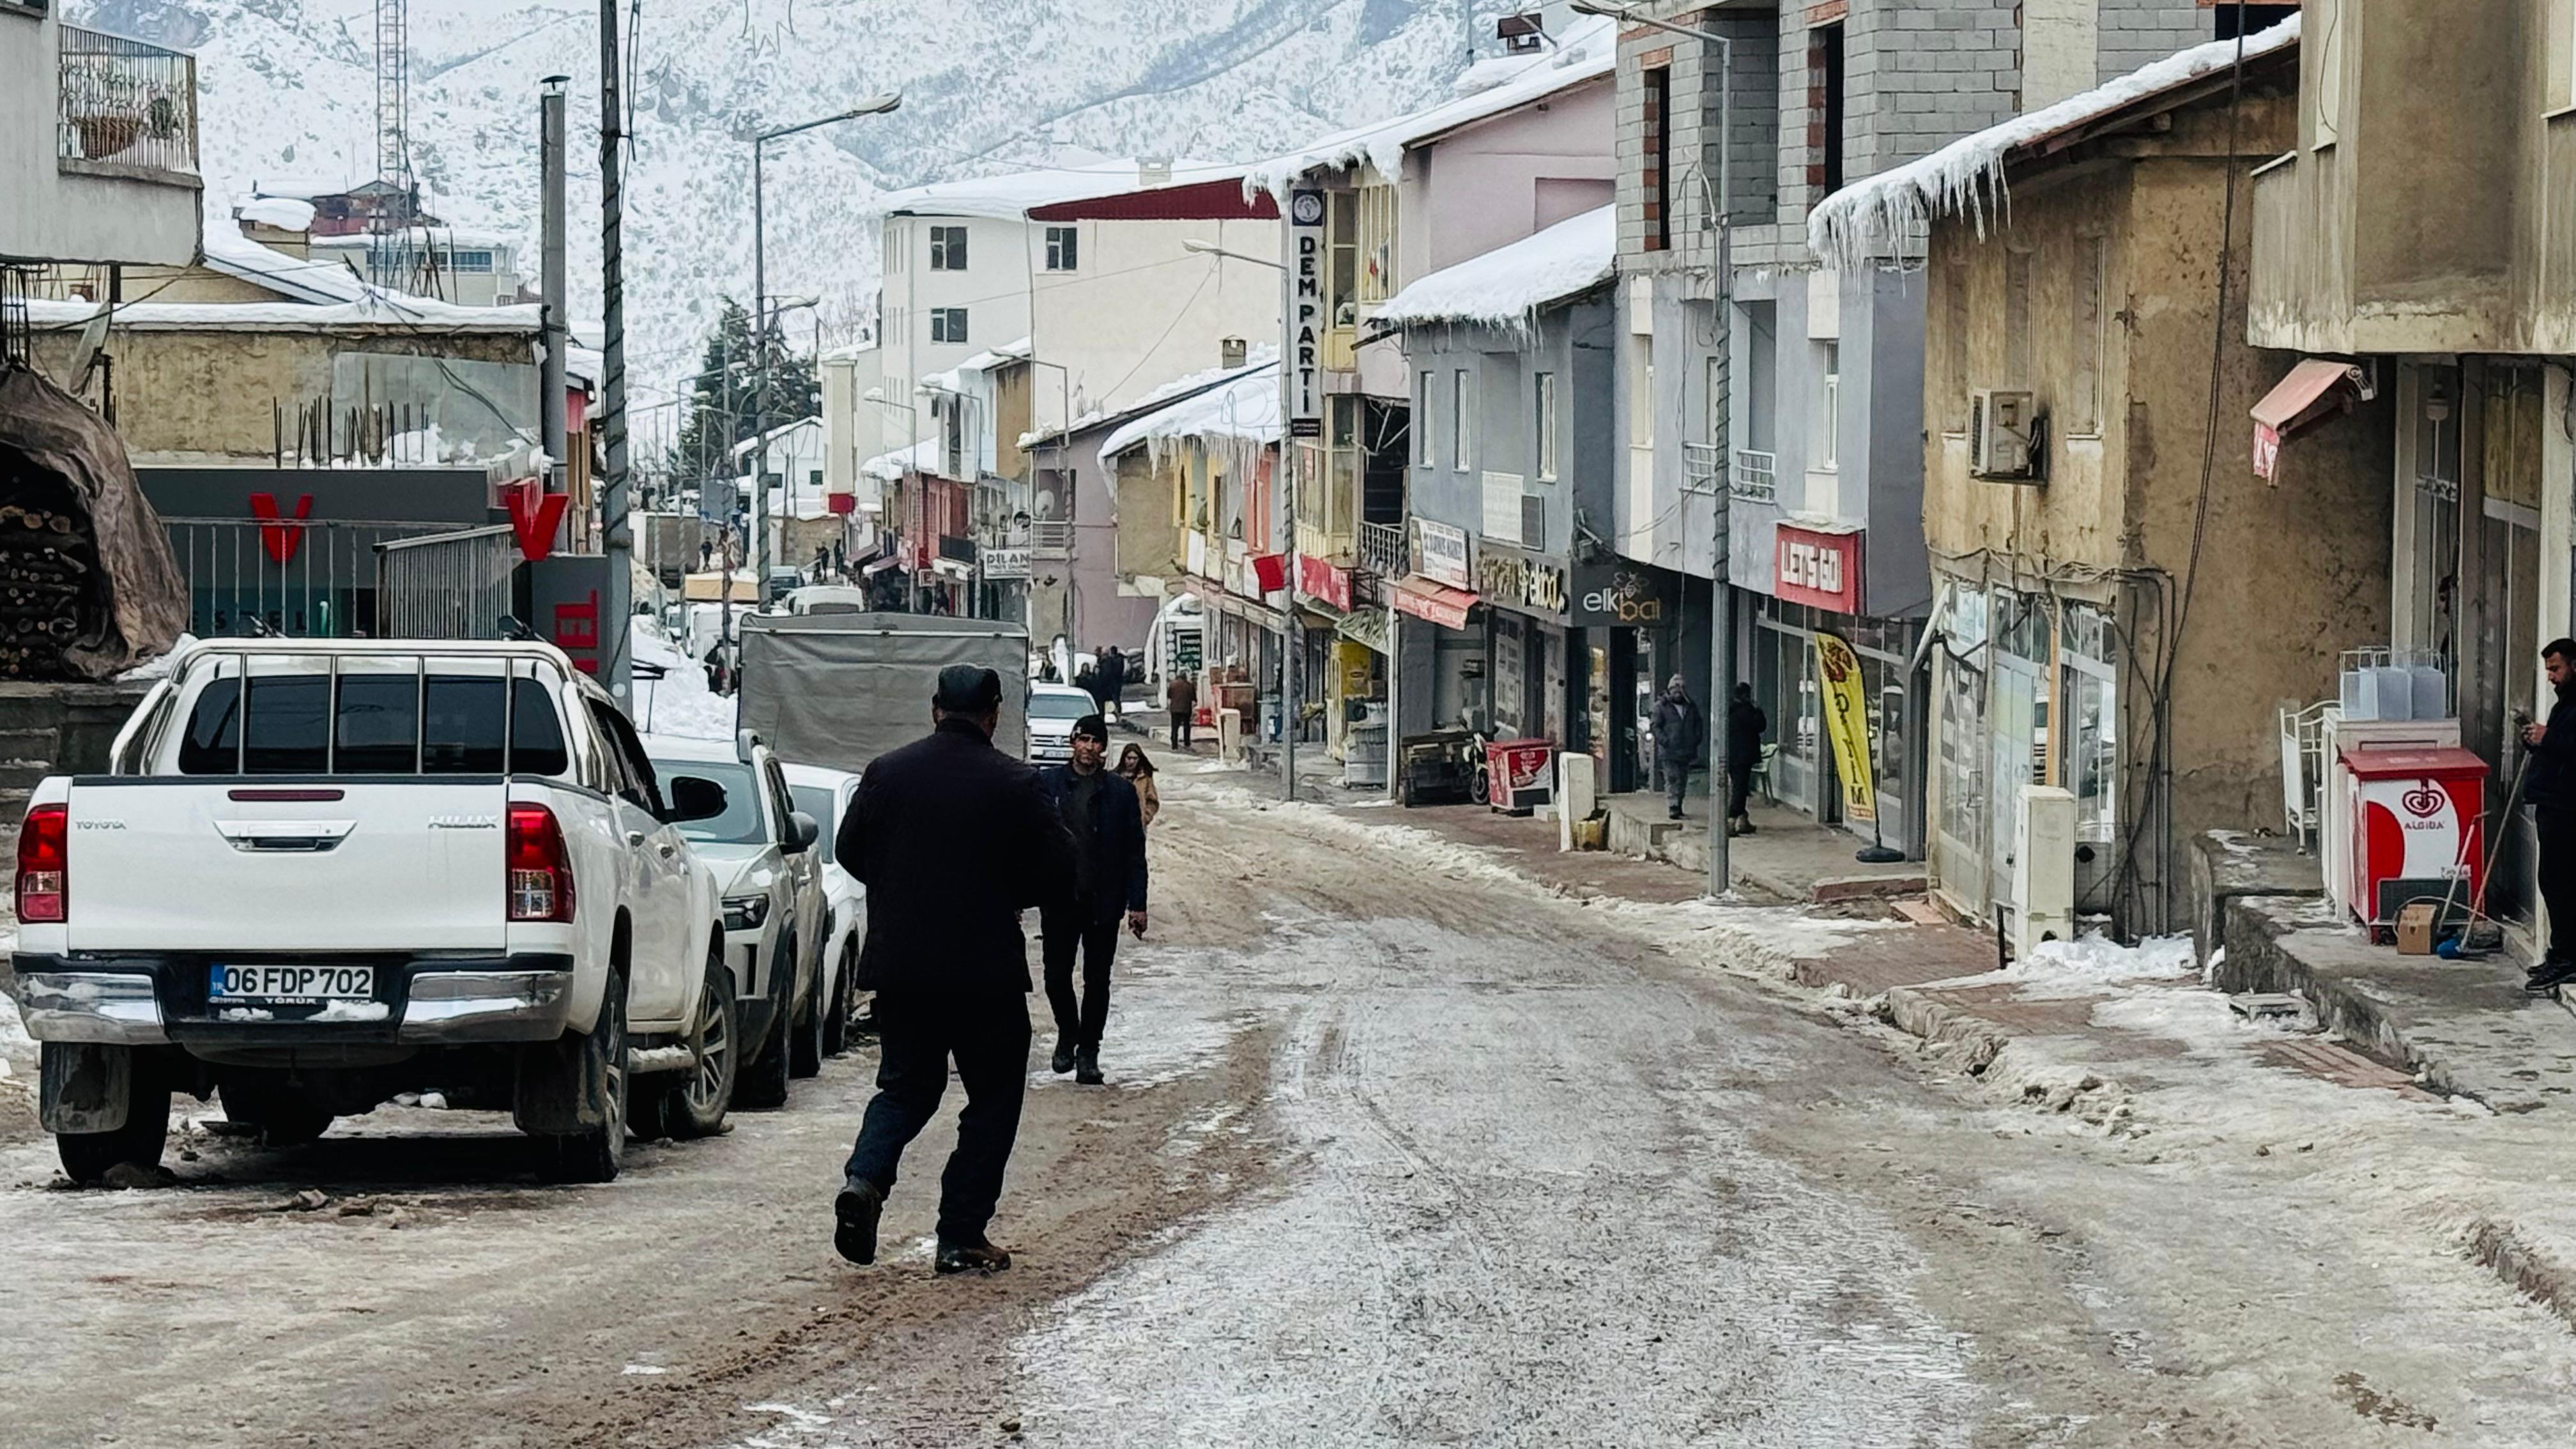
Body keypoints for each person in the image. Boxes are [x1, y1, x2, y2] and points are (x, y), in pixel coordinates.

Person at [832, 664, 1078, 1276]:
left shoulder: (887, 772)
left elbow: (848, 850)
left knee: (906, 1087)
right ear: (994, 714)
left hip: (904, 969)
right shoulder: (1015, 784)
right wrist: (1005, 891)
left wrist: (901, 894)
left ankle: (865, 1181)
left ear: (934, 710)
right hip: (984, 973)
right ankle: (962, 1234)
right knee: (994, 1097)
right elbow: (1060, 867)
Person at [1038, 716, 1149, 1087]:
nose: (1088, 747)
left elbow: (1135, 850)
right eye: (1083, 739)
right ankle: (1068, 1032)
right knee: (1055, 976)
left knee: (1097, 980)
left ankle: (1089, 1052)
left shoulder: (1119, 793)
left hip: (1103, 901)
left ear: (1104, 749)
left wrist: (1138, 903)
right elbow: (1028, 843)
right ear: (1073, 743)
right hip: (1060, 899)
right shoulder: (1048, 785)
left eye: (1095, 741)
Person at [2522, 638, 2576, 993]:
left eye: (2556, 669)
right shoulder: (2566, 704)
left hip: (2568, 807)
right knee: (2553, 882)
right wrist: (2535, 739)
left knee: (2560, 883)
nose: (2552, 678)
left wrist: (2549, 738)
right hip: (2553, 802)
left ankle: (2567, 958)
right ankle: (2562, 954)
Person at [1648, 675, 1703, 822]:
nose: (1677, 692)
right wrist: (1665, 741)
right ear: (1669, 689)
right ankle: (1673, 806)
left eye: (1680, 689)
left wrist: (1696, 739)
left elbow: (1698, 724)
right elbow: (1655, 727)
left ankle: (1678, 805)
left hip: (1686, 750)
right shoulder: (1661, 706)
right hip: (1669, 751)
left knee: (1682, 779)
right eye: (1674, 689)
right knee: (1672, 778)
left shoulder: (1690, 706)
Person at [1726, 682, 1768, 838]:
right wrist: (1758, 710)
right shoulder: (1748, 710)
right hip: (1744, 755)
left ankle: (1742, 819)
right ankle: (1732, 820)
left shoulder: (1728, 709)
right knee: (1740, 788)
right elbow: (1761, 726)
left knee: (1739, 786)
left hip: (1731, 754)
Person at [1117, 743, 1161, 827]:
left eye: (1135, 759)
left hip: (1138, 826)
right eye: (1129, 758)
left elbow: (1153, 801)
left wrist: (1145, 818)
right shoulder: (1115, 777)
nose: (1132, 762)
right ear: (1124, 758)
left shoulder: (1145, 778)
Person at [1166, 671, 1199, 751]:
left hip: (1175, 709)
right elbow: (1194, 698)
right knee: (1186, 726)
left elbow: (1169, 696)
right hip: (1186, 709)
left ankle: (1174, 745)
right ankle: (1187, 743)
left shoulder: (1172, 685)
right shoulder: (1189, 686)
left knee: (1175, 727)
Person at [1098, 645, 1127, 717]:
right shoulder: (1119, 659)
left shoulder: (1110, 661)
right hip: (1116, 682)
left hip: (1111, 682)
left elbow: (1108, 672)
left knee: (1113, 697)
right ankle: (1117, 711)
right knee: (1116, 697)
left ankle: (1116, 711)